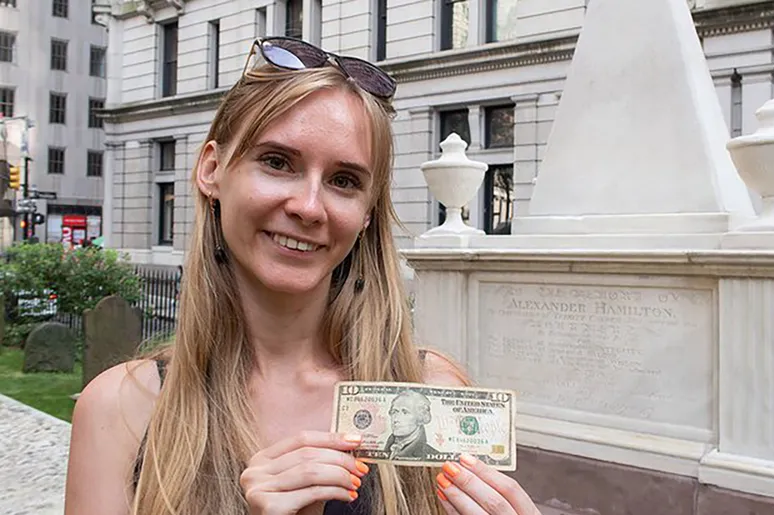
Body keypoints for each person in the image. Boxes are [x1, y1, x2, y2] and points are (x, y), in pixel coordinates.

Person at [63, 37, 540, 515]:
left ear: (367, 211)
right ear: (212, 170)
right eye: (276, 162)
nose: (309, 207)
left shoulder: (430, 391)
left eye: (344, 181)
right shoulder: (120, 409)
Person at [384, 390, 439, 459]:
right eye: (394, 412)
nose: (396, 419)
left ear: (420, 417)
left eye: (405, 412)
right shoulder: (384, 449)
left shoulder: (433, 455)